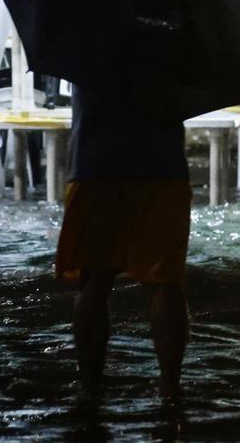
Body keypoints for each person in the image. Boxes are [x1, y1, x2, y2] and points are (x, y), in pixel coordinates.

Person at [54, 86, 192, 398]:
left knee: (94, 281)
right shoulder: (173, 51)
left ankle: (90, 388)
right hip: (163, 165)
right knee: (166, 282)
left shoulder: (86, 52)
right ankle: (170, 387)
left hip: (97, 163)